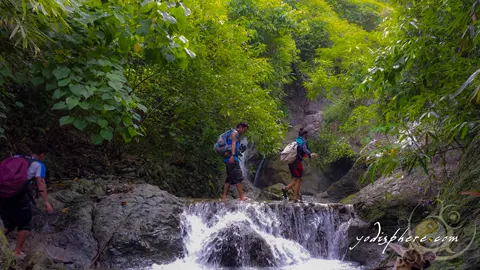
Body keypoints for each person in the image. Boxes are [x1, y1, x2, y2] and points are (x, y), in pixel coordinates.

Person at [0, 144, 53, 257]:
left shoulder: (16, 157)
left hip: (3, 192)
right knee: (25, 224)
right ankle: (17, 252)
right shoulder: (39, 165)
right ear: (42, 155)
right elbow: (40, 182)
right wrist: (46, 202)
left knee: (7, 222)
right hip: (19, 195)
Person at [282, 128, 318, 202]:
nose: (307, 137)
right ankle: (295, 198)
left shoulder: (296, 141)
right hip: (297, 164)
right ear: (304, 135)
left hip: (291, 163)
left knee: (296, 179)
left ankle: (285, 189)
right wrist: (310, 154)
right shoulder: (303, 141)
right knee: (298, 180)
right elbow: (304, 149)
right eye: (307, 135)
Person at [221, 122, 249, 201]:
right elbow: (233, 144)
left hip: (227, 158)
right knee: (238, 176)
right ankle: (241, 197)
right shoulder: (235, 133)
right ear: (240, 127)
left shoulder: (231, 133)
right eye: (244, 129)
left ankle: (224, 196)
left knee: (229, 178)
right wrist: (233, 156)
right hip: (232, 158)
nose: (244, 131)